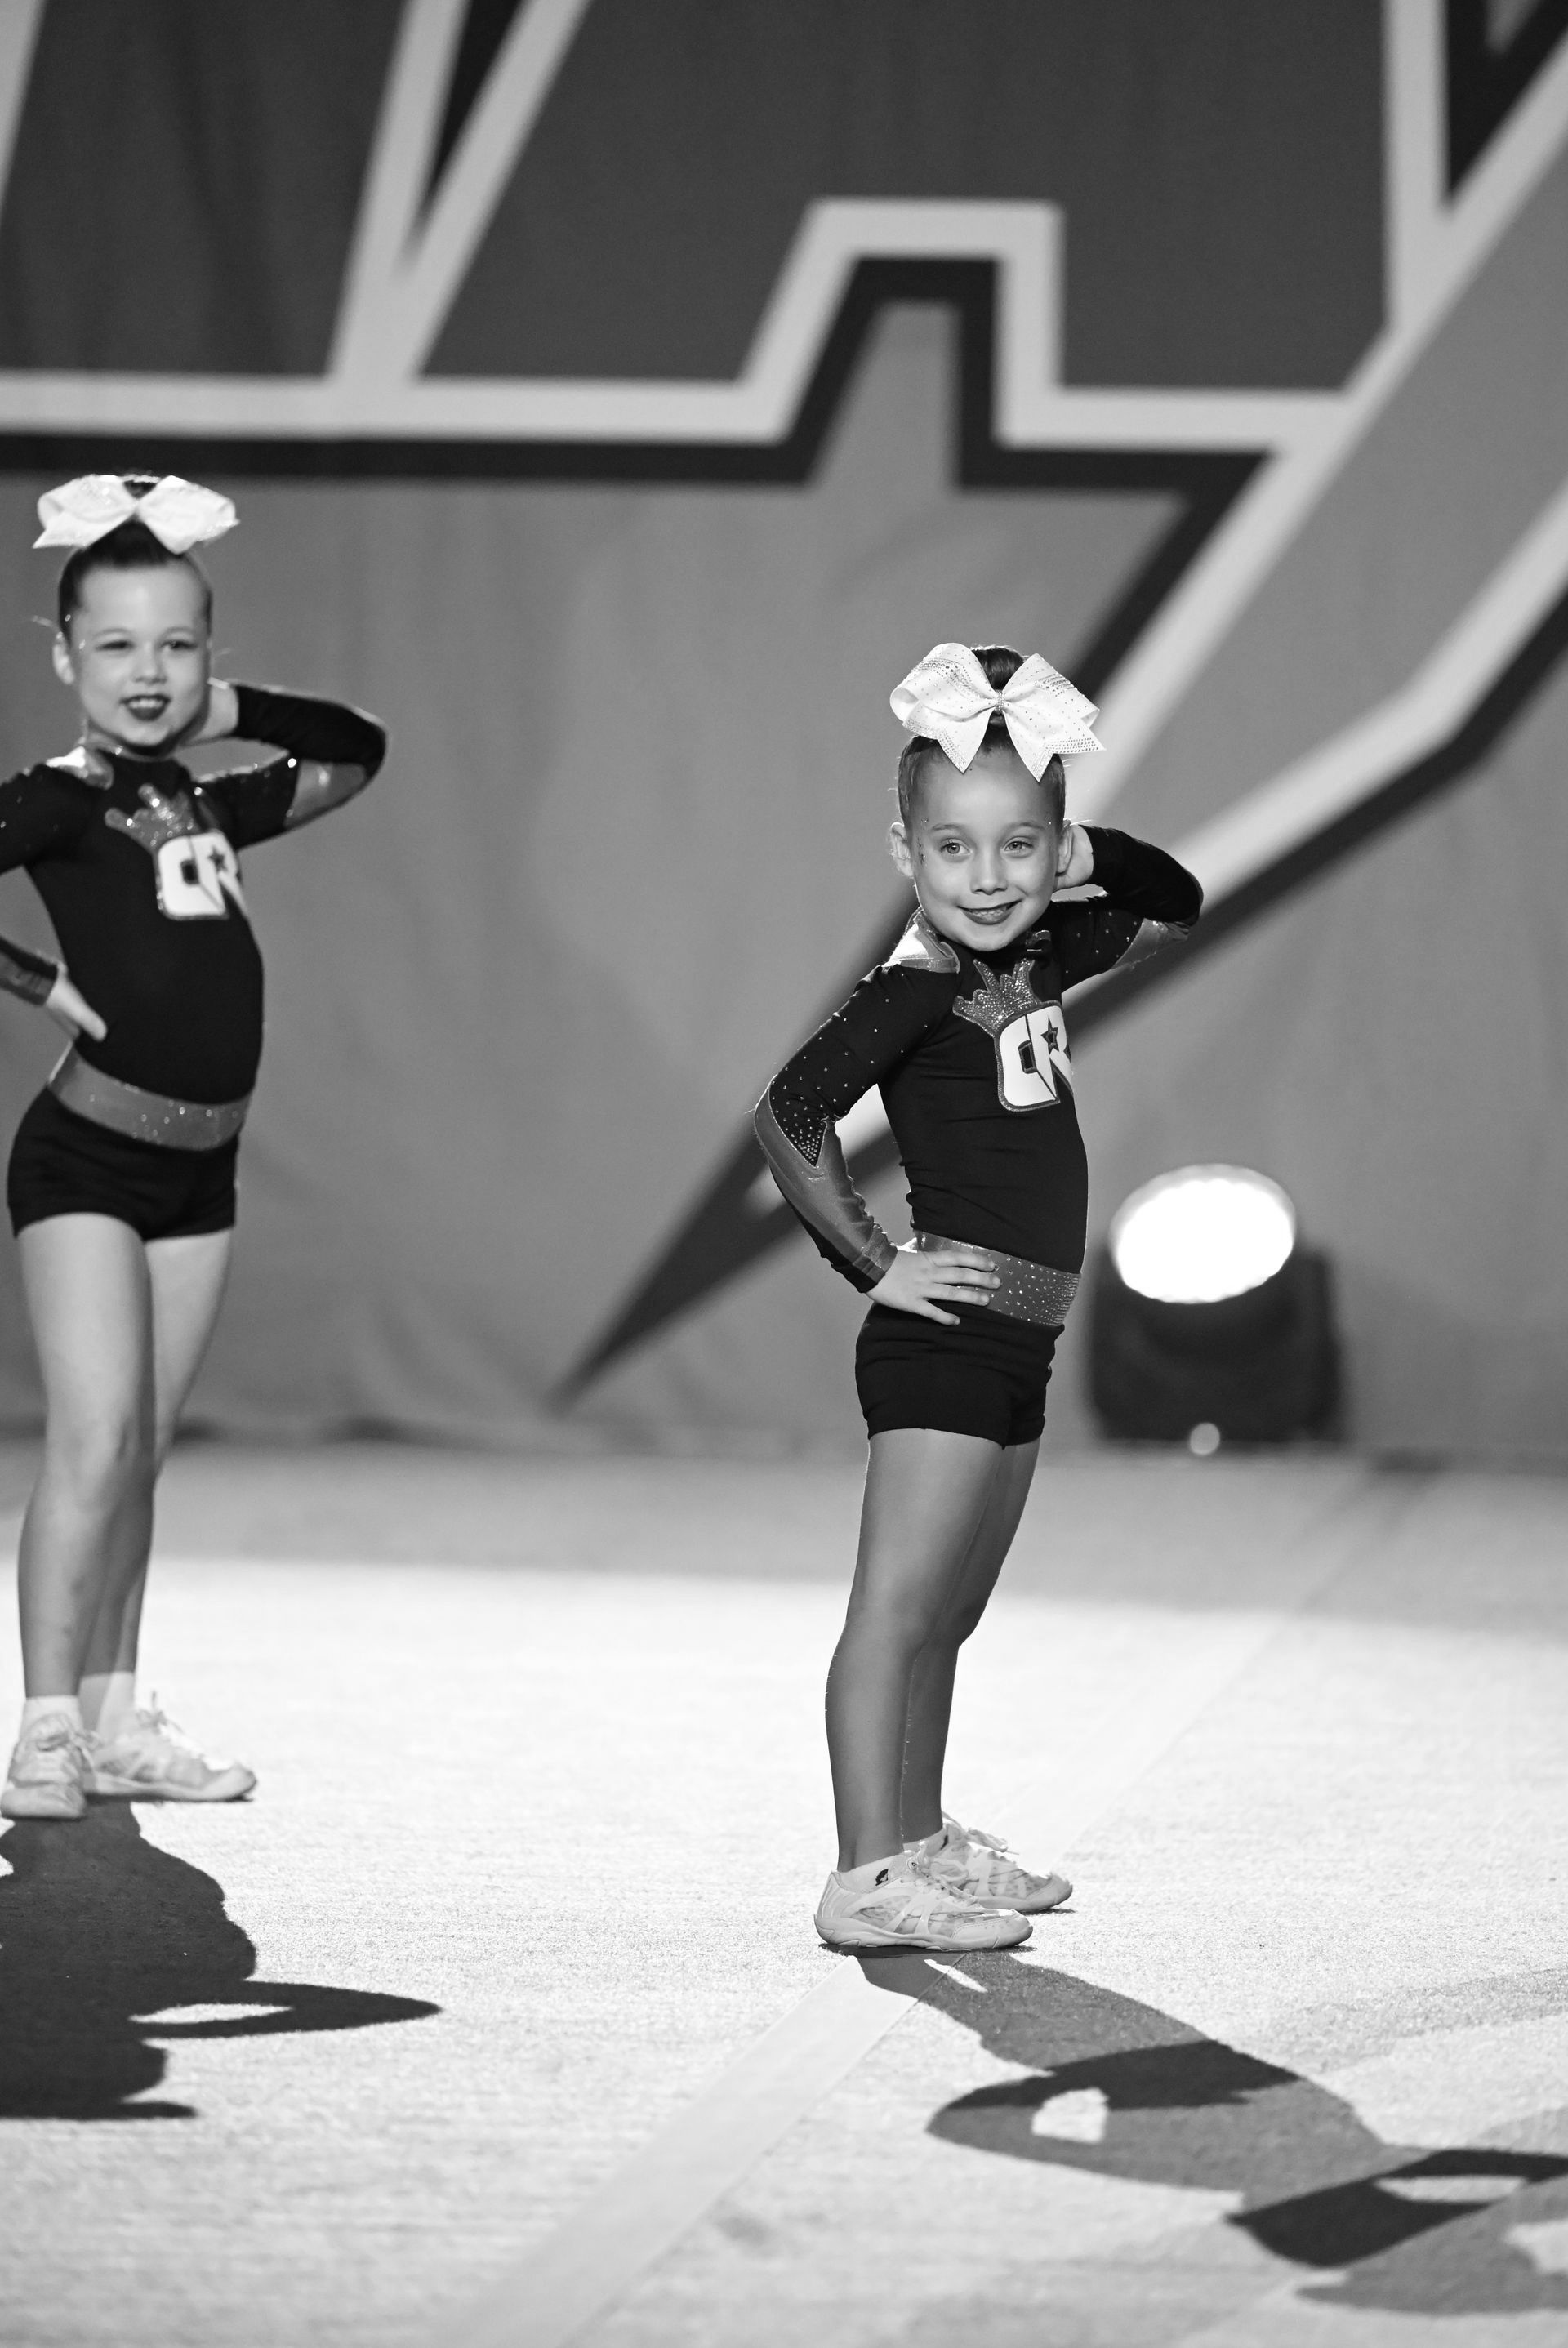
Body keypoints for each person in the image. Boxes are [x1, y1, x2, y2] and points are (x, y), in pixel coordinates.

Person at [755, 642, 1201, 1951]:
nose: (990, 877)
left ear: (1055, 851)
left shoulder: (1037, 956)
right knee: (895, 1614)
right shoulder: (920, 984)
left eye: (1021, 847)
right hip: (944, 1342)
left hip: (1021, 1343)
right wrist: (876, 1261)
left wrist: (1082, 855)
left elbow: (1175, 901)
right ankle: (862, 1877)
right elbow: (790, 1114)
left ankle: (921, 1838)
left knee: (951, 1617)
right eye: (955, 849)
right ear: (907, 852)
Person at [0, 472, 386, 1822]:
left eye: (176, 643)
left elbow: (355, 749)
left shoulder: (208, 805)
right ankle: (45, 1727)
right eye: (115, 644)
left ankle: (115, 1716)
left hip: (199, 1174)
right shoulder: (59, 801)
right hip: (85, 1163)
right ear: (64, 657)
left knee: (144, 1451)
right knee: (96, 1438)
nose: (148, 670)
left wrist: (222, 716)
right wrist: (36, 982)